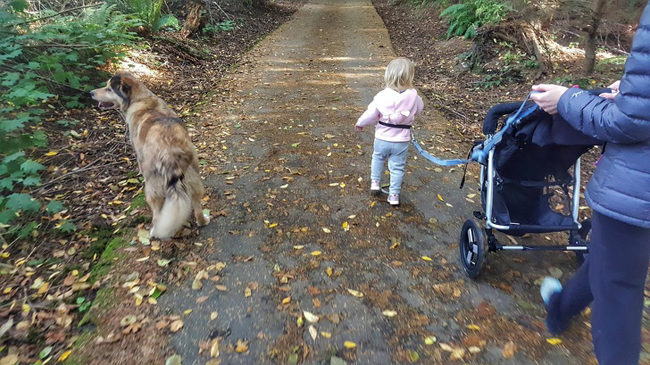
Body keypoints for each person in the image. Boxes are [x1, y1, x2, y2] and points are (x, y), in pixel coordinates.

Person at [530, 4, 650, 364]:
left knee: (619, 291)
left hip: (637, 188)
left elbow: (628, 124)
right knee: (607, 258)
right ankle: (561, 308)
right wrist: (629, 92)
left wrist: (566, 98)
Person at [355, 57, 424, 206]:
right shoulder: (414, 96)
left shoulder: (382, 96)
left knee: (378, 158)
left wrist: (360, 123)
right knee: (397, 167)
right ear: (410, 77)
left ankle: (375, 182)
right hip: (401, 141)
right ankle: (394, 196)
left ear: (388, 76)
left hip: (382, 138)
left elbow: (370, 113)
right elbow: (419, 110)